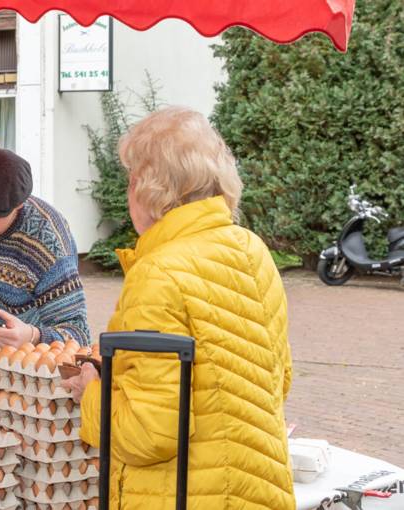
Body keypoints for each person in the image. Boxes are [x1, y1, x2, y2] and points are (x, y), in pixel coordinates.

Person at [62, 107, 295, 509]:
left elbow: (149, 434)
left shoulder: (157, 272)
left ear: (146, 186)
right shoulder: (252, 249)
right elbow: (277, 378)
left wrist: (92, 392)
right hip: (255, 489)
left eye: (130, 178)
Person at [0, 147, 90, 418]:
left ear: (19, 206)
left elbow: (78, 333)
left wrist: (32, 335)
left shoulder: (47, 243)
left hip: (26, 362)